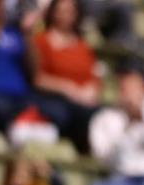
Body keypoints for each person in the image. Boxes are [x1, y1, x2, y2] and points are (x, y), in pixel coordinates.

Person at [31, 0, 100, 151]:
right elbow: (37, 79)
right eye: (61, 10)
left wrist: (90, 90)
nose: (65, 15)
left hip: (82, 102)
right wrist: (66, 88)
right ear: (52, 13)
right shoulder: (41, 41)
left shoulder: (83, 46)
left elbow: (93, 77)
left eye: (70, 11)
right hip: (53, 99)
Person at [0, 0, 38, 132]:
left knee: (52, 111)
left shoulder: (16, 33)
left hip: (20, 96)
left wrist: (27, 33)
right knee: (2, 109)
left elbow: (34, 70)